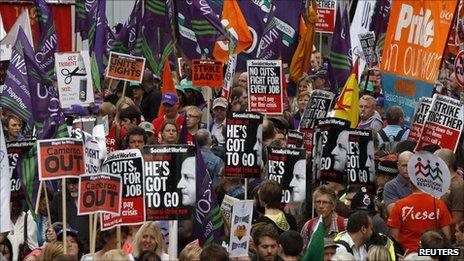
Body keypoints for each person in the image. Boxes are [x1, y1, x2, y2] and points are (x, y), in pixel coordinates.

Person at [387, 181, 452, 253]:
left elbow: (394, 236)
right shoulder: (439, 204)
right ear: (427, 185)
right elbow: (447, 235)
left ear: (410, 185)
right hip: (432, 254)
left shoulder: (399, 205)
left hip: (408, 254)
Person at [50, 179, 89, 249]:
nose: (71, 187)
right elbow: (54, 223)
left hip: (91, 248)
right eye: (68, 183)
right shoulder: (59, 198)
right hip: (67, 248)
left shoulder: (92, 196)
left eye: (75, 183)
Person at [434, 149, 464, 225]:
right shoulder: (439, 180)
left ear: (445, 164)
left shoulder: (458, 186)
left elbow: (457, 219)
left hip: (448, 234)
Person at [8, 197, 39, 261]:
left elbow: (34, 248)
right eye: (12, 206)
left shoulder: (28, 219)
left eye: (17, 205)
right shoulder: (3, 220)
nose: (15, 209)